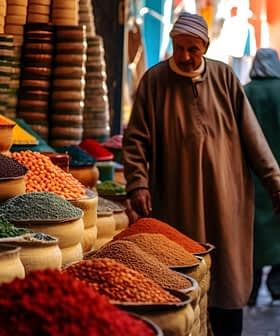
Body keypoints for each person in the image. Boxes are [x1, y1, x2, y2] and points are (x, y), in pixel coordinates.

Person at [122, 11, 280, 336]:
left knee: (228, 280)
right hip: (177, 200)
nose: (185, 56)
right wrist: (137, 183)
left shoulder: (225, 78)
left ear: (205, 46)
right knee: (183, 279)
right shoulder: (154, 81)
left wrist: (274, 182)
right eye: (179, 47)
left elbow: (254, 139)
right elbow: (136, 140)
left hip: (228, 199)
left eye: (193, 49)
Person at [244, 48, 280, 305]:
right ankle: (277, 286)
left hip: (252, 178)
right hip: (278, 177)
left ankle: (251, 291)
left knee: (253, 237)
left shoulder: (245, 92)